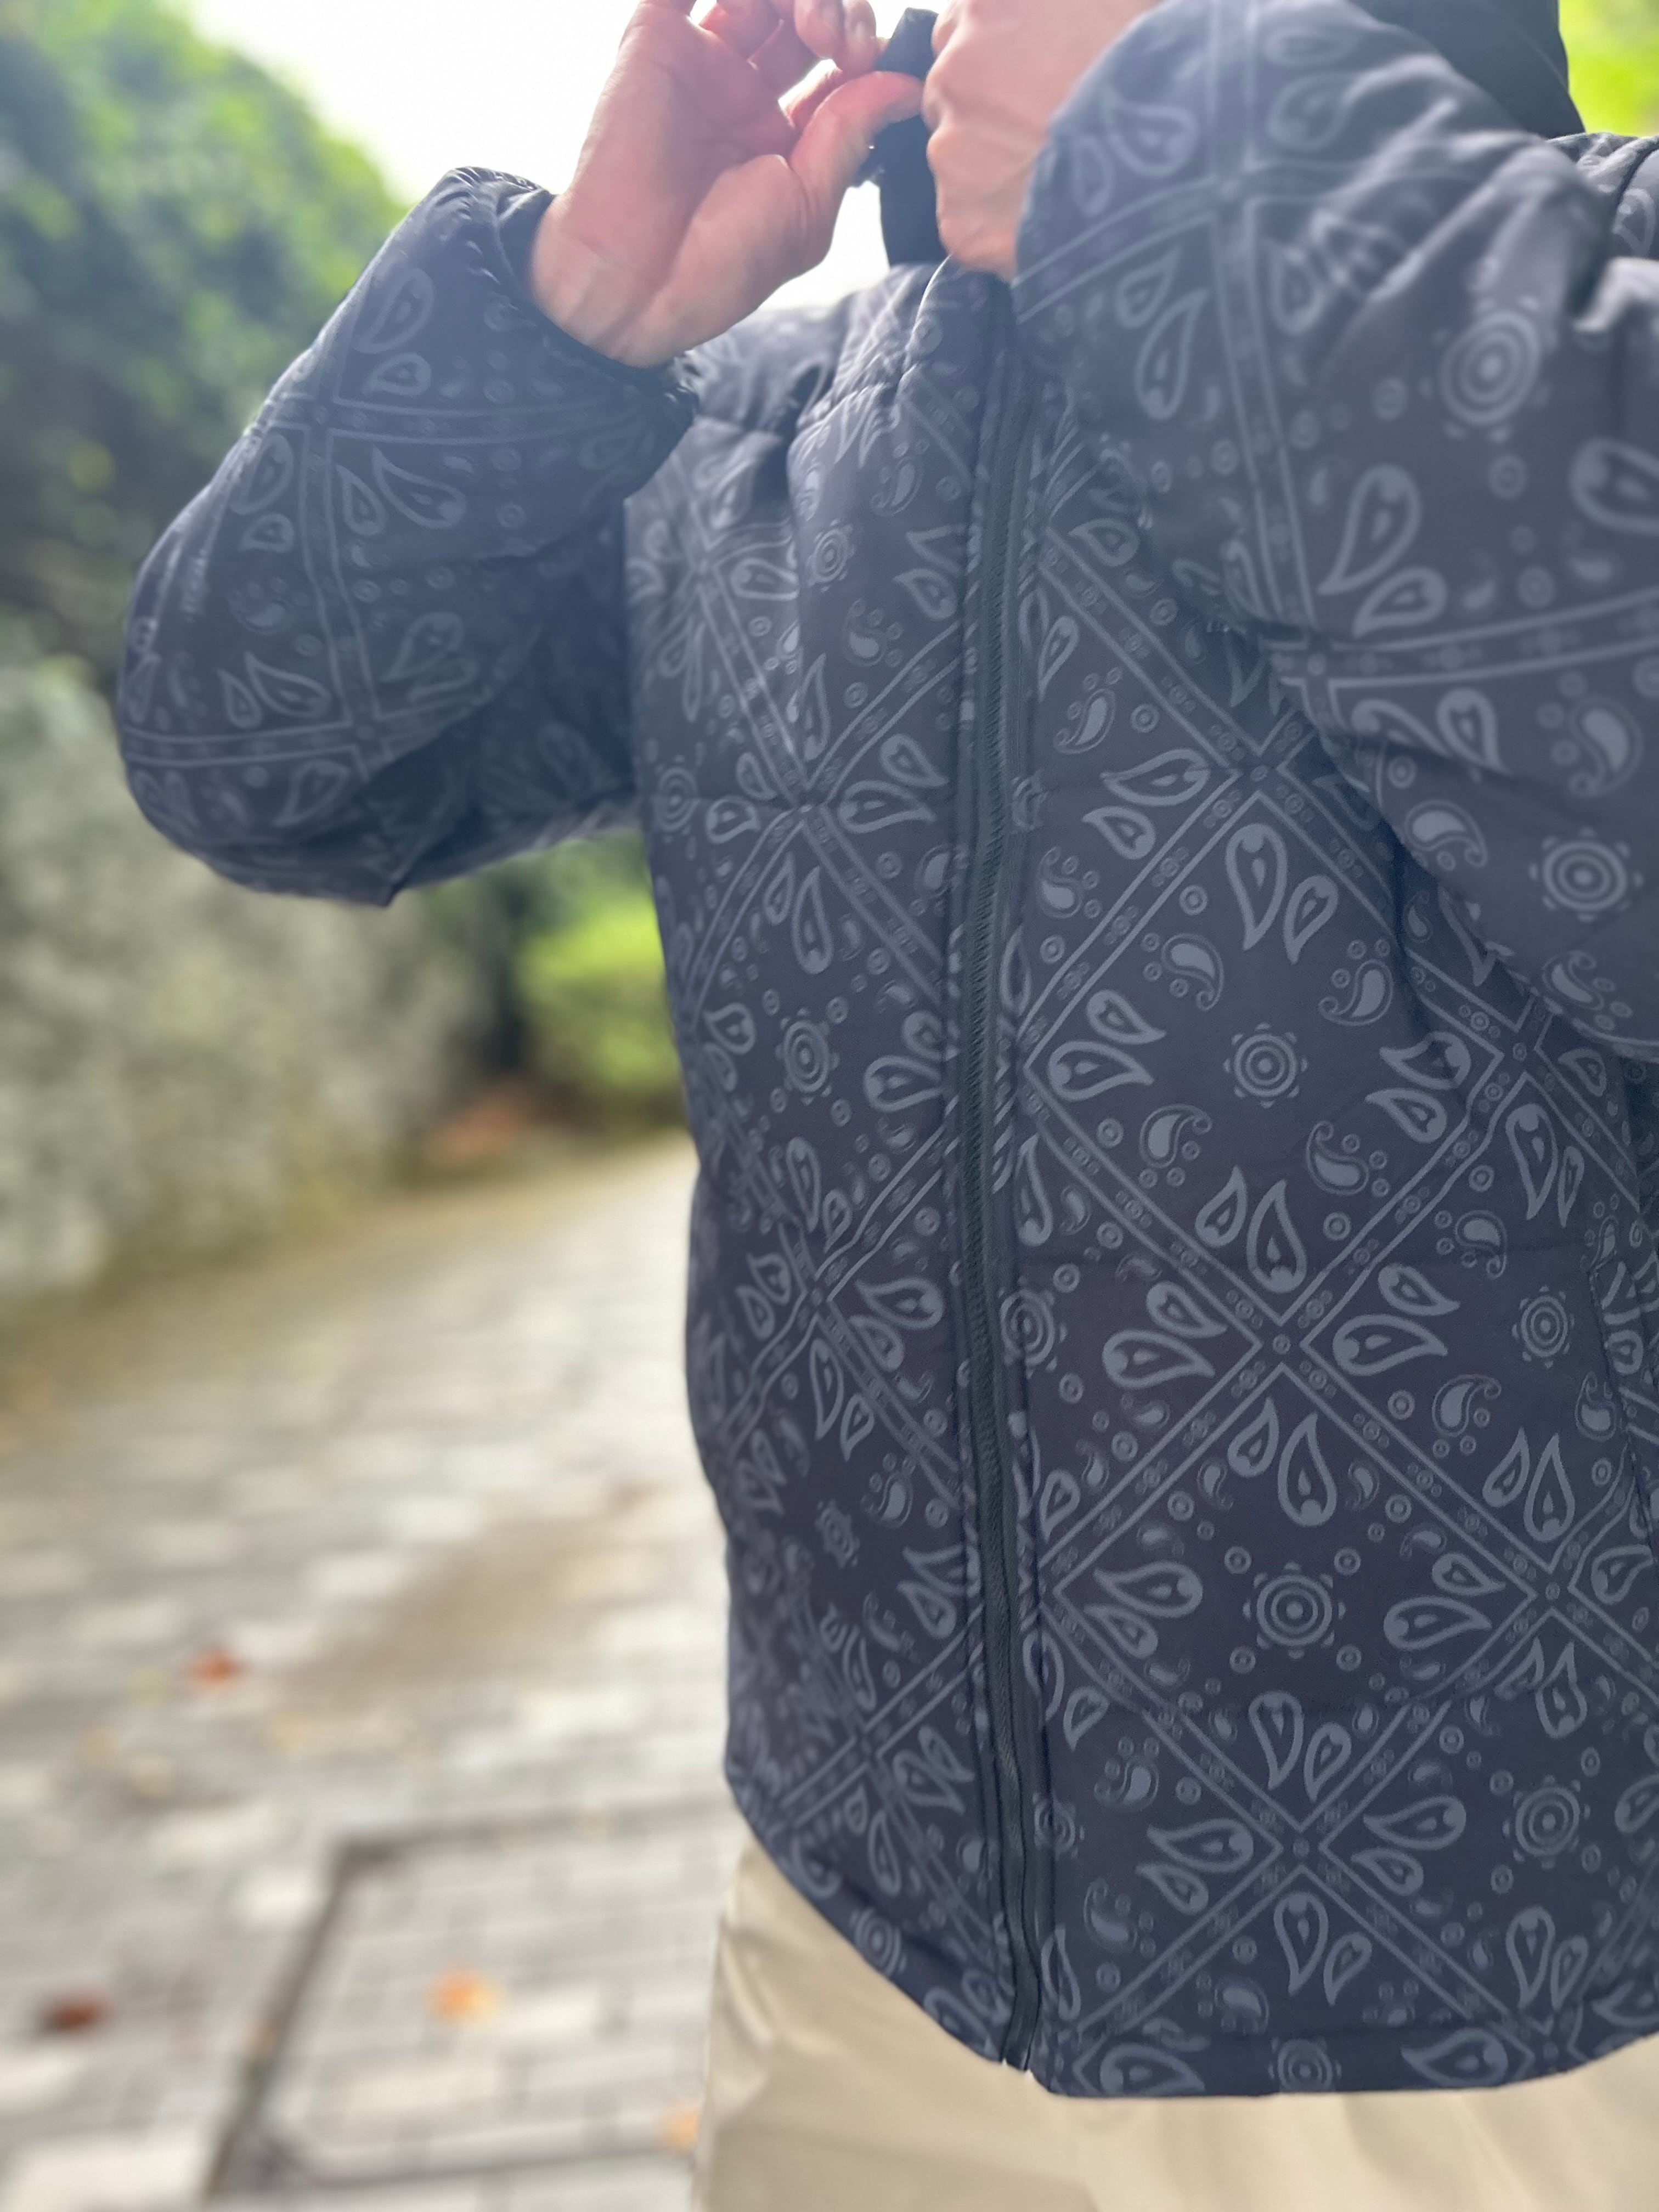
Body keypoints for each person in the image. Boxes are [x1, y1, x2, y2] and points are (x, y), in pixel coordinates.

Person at [117, 0, 1659, 2202]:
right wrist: (564, 318)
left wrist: (1195, 179)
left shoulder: (1605, 270)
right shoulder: (758, 420)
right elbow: (252, 760)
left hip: (1544, 2001)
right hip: (862, 1967)